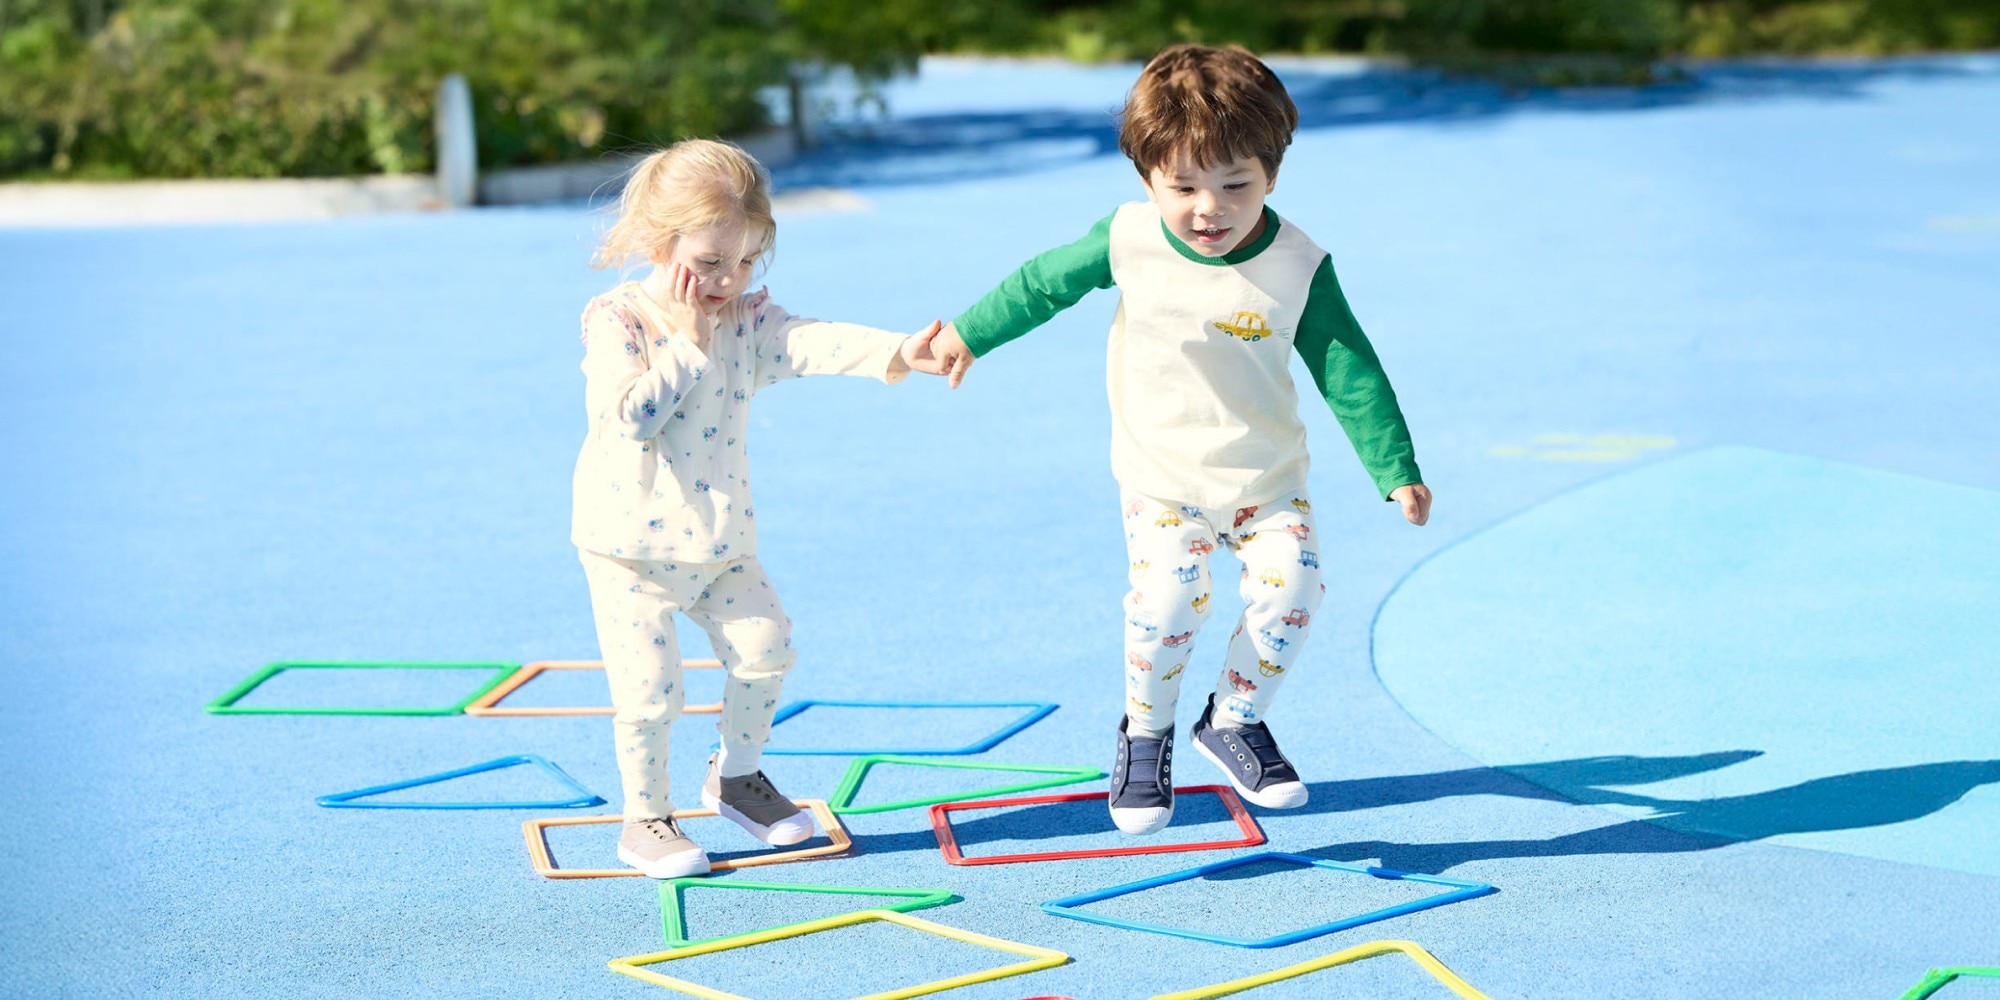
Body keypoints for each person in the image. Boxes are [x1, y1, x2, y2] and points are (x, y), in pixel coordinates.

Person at [925, 45, 1433, 834]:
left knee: (1294, 592)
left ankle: (1231, 719)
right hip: (1162, 477)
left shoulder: (1298, 264)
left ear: (1272, 175)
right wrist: (968, 334)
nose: (1210, 208)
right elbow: (1041, 284)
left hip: (1266, 479)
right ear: (1146, 178)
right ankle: (1145, 734)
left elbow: (1348, 367)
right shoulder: (1129, 239)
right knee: (1170, 602)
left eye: (1237, 185)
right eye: (1184, 186)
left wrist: (1394, 467)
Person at [574, 139, 948, 876]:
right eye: (710, 263)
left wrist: (904, 351)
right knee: (650, 693)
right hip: (629, 550)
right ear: (659, 242)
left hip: (719, 542)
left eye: (744, 262)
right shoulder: (617, 321)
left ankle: (736, 776)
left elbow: (815, 342)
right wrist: (687, 342)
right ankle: (645, 820)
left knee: (766, 646)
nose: (728, 280)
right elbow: (631, 417)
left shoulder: (745, 319)